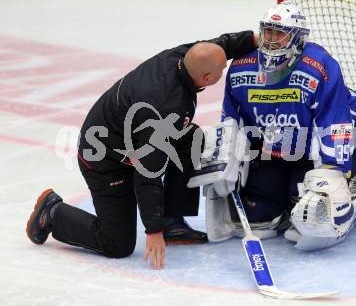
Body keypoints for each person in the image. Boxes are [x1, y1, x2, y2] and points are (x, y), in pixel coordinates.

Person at [26, 31, 257, 269]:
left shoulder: (183, 57)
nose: (225, 68)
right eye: (223, 68)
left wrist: (257, 39)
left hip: (133, 142)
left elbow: (221, 46)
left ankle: (172, 221)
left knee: (191, 137)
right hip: (106, 162)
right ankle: (53, 212)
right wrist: (153, 231)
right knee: (117, 245)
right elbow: (147, 174)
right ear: (207, 78)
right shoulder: (167, 109)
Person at [189, 1, 356, 249]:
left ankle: (348, 188)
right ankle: (285, 202)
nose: (271, 40)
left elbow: (335, 121)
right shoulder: (241, 67)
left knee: (313, 213)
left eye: (280, 34)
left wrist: (332, 171)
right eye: (268, 32)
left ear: (298, 38)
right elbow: (232, 120)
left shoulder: (320, 66)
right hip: (274, 152)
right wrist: (225, 160)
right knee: (256, 218)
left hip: (314, 153)